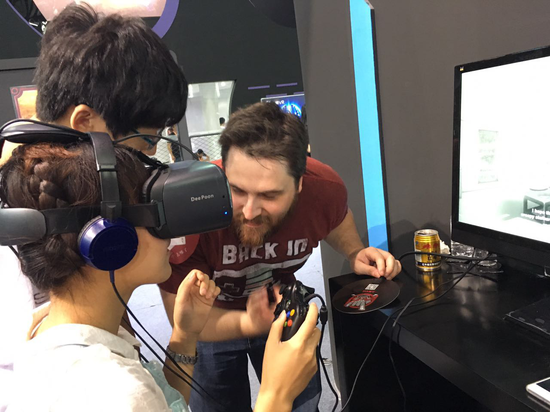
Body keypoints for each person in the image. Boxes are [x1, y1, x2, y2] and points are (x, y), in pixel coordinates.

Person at [1, 139, 320, 411]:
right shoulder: (115, 393)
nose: (173, 233)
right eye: (155, 212)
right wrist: (276, 395)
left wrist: (185, 335)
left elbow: (164, 403)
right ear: (110, 240)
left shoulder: (53, 328)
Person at [159, 102, 403, 411]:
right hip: (209, 319)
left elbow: (336, 217)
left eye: (269, 195)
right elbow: (183, 321)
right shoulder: (193, 209)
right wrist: (248, 323)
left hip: (282, 307)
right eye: (237, 190)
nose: (250, 211)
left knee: (301, 405)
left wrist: (354, 251)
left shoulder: (324, 190)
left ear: (300, 184)